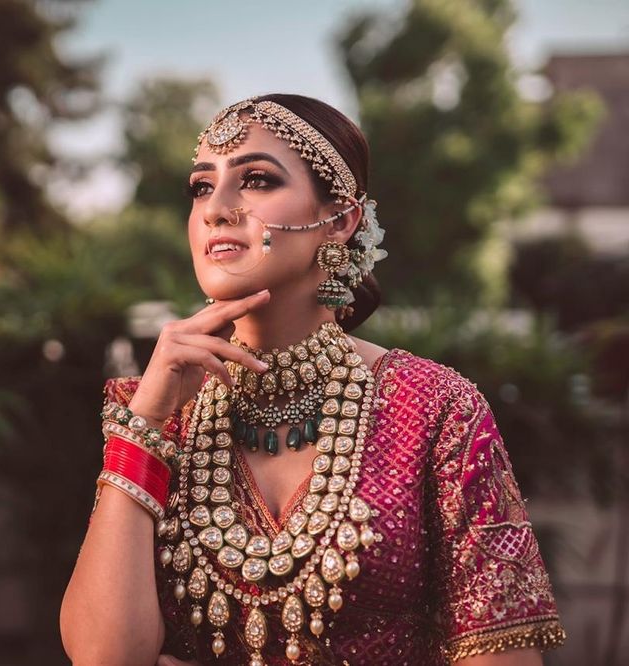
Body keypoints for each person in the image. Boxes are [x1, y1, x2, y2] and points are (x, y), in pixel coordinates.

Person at [59, 94, 565, 666]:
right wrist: (144, 428)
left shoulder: (434, 411)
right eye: (202, 186)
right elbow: (105, 657)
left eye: (255, 180)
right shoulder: (155, 409)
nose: (216, 209)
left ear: (341, 220)